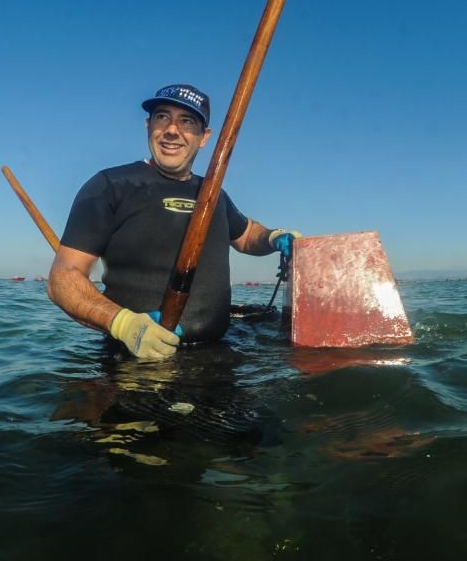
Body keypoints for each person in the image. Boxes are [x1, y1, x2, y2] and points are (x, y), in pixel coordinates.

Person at [47, 83, 300, 360]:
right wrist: (123, 324)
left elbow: (247, 234)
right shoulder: (109, 185)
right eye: (162, 117)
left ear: (204, 137)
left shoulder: (213, 194)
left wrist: (275, 237)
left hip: (218, 358)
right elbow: (62, 279)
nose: (171, 130)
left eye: (186, 121)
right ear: (148, 125)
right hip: (134, 360)